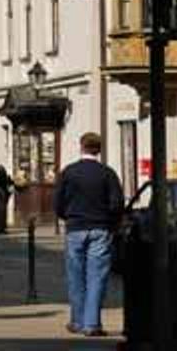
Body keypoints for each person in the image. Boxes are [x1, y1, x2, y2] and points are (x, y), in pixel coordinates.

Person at [54, 132, 123, 338]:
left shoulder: (69, 172)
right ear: (99, 149)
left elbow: (58, 202)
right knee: (97, 277)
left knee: (76, 277)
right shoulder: (107, 173)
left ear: (81, 147)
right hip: (100, 228)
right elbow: (117, 204)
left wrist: (67, 217)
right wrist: (112, 223)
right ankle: (92, 324)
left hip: (75, 228)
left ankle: (77, 321)